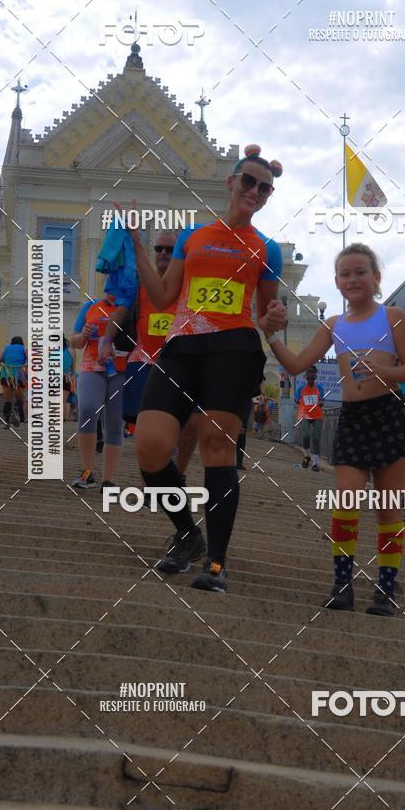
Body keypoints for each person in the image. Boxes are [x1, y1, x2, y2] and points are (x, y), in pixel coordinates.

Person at [129, 143, 286, 592]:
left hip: (233, 348)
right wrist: (138, 245)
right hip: (182, 346)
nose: (255, 191)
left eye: (265, 188)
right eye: (249, 181)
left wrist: (276, 317)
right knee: (150, 446)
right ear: (231, 182)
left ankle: (216, 561)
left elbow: (267, 314)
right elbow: (163, 297)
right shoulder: (192, 236)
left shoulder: (267, 248)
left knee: (217, 447)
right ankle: (186, 532)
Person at [264, 243, 405, 616]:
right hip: (352, 418)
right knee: (346, 500)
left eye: (360, 272)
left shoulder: (394, 316)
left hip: (388, 416)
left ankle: (385, 589)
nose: (353, 279)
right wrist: (270, 336)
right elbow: (297, 364)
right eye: (345, 274)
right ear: (336, 282)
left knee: (387, 508)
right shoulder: (334, 325)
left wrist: (385, 371)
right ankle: (342, 585)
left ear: (376, 277)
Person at [100, 230, 200, 485]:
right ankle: (149, 484)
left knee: (191, 423)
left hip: (182, 362)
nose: (163, 253)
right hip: (144, 362)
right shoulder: (139, 283)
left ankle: (178, 475)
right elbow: (120, 312)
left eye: (170, 249)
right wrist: (106, 341)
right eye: (159, 248)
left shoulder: (189, 284)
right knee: (149, 431)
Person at [68, 289, 130, 491]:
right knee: (87, 410)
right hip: (91, 367)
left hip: (122, 370)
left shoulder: (131, 307)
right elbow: (74, 342)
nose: (113, 290)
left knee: (115, 423)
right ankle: (87, 473)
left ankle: (107, 480)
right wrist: (83, 335)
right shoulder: (90, 306)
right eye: (110, 286)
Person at [295, 365, 325, 471]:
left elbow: (322, 400)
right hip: (304, 415)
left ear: (315, 377)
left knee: (316, 438)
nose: (311, 380)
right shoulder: (301, 388)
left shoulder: (320, 388)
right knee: (306, 436)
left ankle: (315, 464)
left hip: (317, 415)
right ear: (306, 377)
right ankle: (307, 455)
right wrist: (301, 401)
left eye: (312, 378)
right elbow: (296, 400)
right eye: (309, 378)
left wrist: (320, 402)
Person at [0, 336, 27, 428]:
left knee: (7, 401)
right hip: (18, 376)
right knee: (20, 399)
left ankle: (7, 422)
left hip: (6, 376)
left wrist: (6, 361)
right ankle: (21, 420)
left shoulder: (6, 349)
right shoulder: (24, 349)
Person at [62, 335, 76, 422]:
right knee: (63, 401)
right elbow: (73, 369)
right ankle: (62, 418)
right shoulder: (71, 351)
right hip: (67, 377)